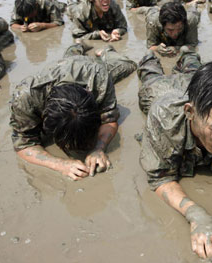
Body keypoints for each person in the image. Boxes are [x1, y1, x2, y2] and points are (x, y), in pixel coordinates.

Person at [139, 55, 212, 261]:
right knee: (152, 76)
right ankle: (150, 57)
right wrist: (195, 213)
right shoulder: (163, 116)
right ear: (190, 112)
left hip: (192, 83)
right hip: (161, 91)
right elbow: (160, 177)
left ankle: (187, 54)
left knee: (192, 69)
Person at [10, 44, 136, 180]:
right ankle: (77, 45)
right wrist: (60, 164)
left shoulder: (97, 77)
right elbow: (23, 144)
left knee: (128, 65)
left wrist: (99, 148)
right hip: (59, 70)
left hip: (84, 68)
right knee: (71, 58)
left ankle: (106, 51)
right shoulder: (25, 97)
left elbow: (109, 119)